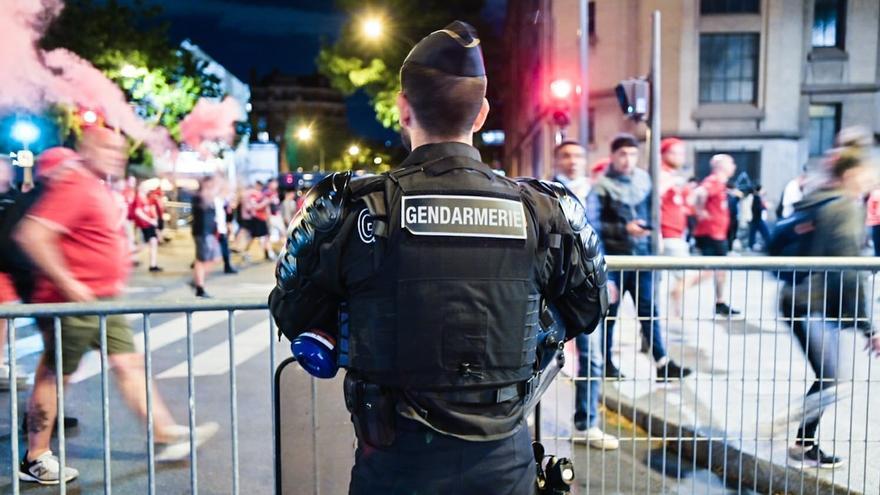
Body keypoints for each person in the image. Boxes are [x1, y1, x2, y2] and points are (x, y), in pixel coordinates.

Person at [269, 21, 608, 494]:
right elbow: (588, 308)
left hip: (393, 465)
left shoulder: (353, 209)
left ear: (403, 110)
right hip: (504, 464)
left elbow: (292, 309)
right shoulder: (544, 211)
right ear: (482, 113)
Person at [13, 128, 217, 484]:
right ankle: (35, 457)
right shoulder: (75, 183)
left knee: (129, 365)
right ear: (86, 149)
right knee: (54, 375)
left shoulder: (92, 183)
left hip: (102, 299)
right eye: (107, 148)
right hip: (73, 303)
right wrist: (69, 283)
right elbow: (32, 235)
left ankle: (164, 433)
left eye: (120, 149)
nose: (116, 155)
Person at [781, 144, 880, 468]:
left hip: (800, 298)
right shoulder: (843, 207)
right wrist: (869, 327)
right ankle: (800, 437)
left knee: (830, 377)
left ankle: (802, 438)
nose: (870, 178)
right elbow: (849, 271)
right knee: (831, 378)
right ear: (851, 174)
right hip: (812, 303)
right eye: (866, 172)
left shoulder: (819, 197)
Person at [587, 133, 692, 381]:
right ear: (613, 156)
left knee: (649, 311)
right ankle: (606, 363)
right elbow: (594, 225)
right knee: (610, 314)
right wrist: (623, 230)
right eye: (622, 154)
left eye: (632, 154)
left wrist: (651, 235)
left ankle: (662, 361)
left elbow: (654, 215)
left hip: (642, 257)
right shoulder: (601, 186)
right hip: (615, 261)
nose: (627, 159)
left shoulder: (645, 180)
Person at [552, 141, 618, 450]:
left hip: (588, 287)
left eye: (577, 155)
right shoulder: (547, 190)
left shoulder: (597, 192)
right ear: (557, 160)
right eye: (566, 155)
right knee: (538, 354)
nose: (572, 160)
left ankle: (586, 423)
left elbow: (605, 238)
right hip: (553, 285)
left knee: (592, 357)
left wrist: (609, 280)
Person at [692, 154, 741, 316]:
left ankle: (720, 302)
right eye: (731, 163)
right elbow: (699, 193)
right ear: (722, 166)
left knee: (719, 268)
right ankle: (680, 288)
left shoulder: (721, 184)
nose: (734, 166)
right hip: (711, 232)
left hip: (718, 233)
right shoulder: (713, 181)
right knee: (711, 269)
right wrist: (700, 211)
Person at [658, 138, 698, 317]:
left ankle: (675, 306)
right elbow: (655, 201)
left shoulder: (675, 179)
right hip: (669, 235)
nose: (680, 157)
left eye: (682, 153)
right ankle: (674, 306)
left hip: (676, 234)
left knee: (684, 275)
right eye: (675, 152)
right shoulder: (663, 176)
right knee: (688, 275)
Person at [191, 176, 222, 298]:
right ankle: (199, 286)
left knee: (214, 258)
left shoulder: (208, 197)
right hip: (203, 233)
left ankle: (198, 281)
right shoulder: (201, 196)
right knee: (202, 260)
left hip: (209, 232)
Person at [131, 183, 162, 272]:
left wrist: (153, 219)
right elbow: (138, 212)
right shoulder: (139, 198)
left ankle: (153, 265)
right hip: (144, 225)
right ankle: (125, 255)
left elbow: (148, 210)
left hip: (148, 224)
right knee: (143, 245)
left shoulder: (144, 197)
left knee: (153, 242)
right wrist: (150, 220)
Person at [748, 185, 771, 251]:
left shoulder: (756, 197)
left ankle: (750, 245)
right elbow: (757, 208)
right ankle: (769, 246)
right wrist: (764, 207)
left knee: (752, 233)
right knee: (765, 233)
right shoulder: (756, 197)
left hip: (755, 219)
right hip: (757, 219)